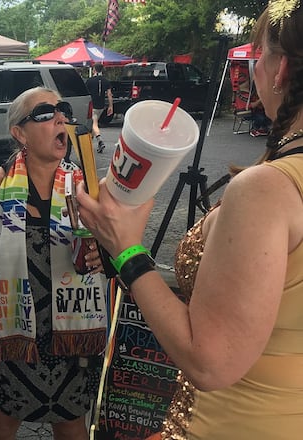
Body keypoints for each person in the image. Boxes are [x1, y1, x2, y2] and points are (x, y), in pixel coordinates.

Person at [75, 2, 303, 438]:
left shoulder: (267, 189)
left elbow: (210, 362)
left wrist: (127, 251)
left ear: (281, 70)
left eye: (259, 55)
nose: (253, 68)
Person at [0, 86, 108, 440]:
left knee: (71, 428)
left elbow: (118, 255)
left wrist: (105, 257)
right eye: (44, 113)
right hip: (8, 337)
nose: (59, 118)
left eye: (62, 110)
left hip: (72, 339)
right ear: (19, 133)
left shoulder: (87, 189)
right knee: (1, 427)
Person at [84, 63, 113, 153]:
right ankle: (91, 144)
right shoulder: (106, 81)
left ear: (94, 70)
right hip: (101, 106)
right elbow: (109, 94)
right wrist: (111, 106)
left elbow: (86, 93)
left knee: (94, 124)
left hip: (92, 105)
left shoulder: (89, 81)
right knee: (94, 124)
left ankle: (100, 140)